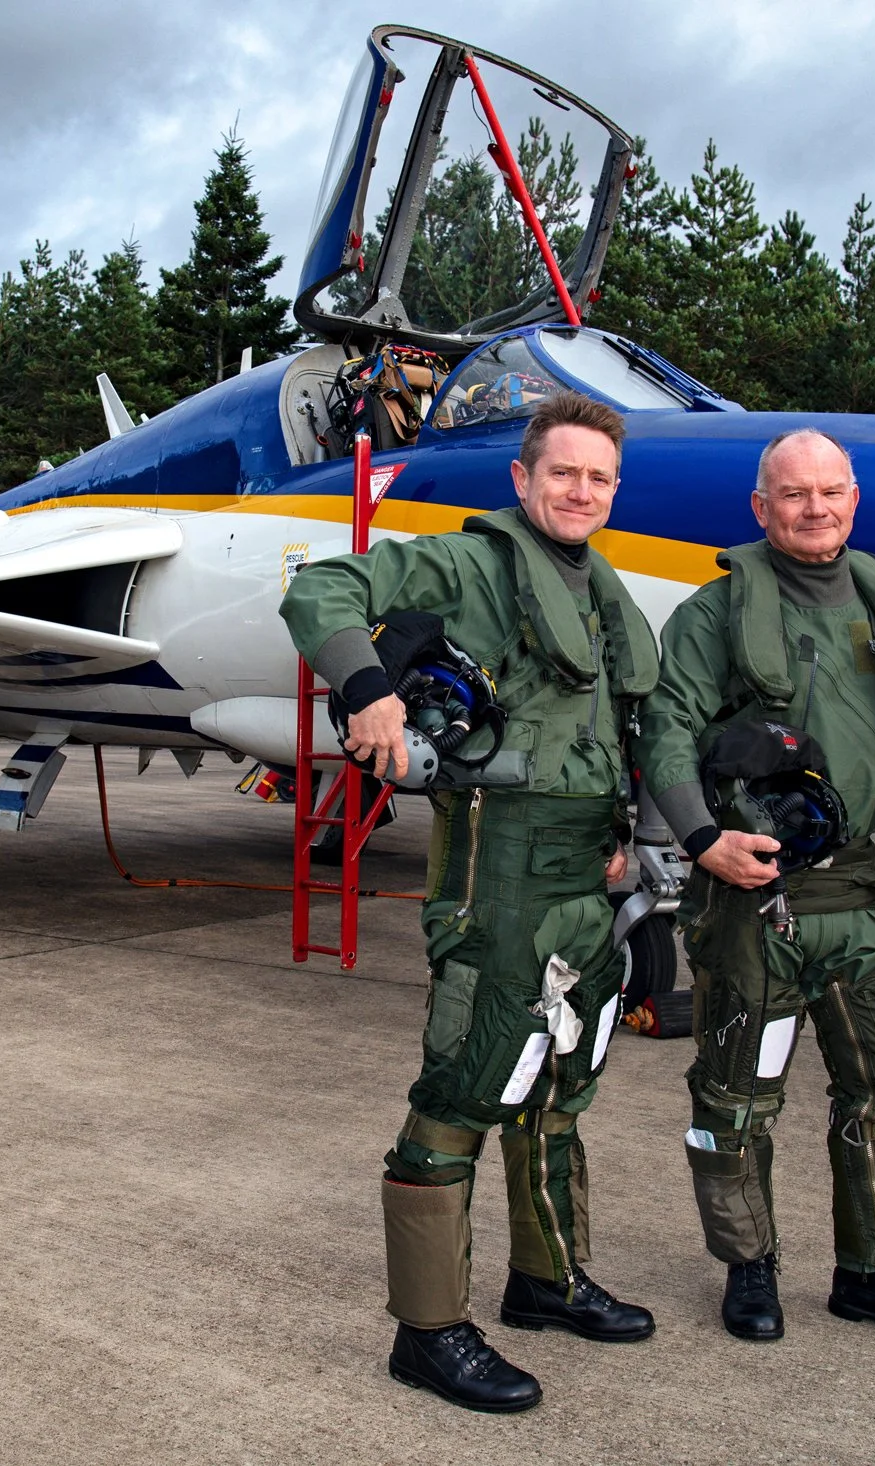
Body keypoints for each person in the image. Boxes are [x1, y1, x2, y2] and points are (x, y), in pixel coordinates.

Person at [279, 391, 660, 1413]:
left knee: (554, 1086)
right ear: (522, 478)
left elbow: (610, 728)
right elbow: (321, 589)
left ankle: (545, 1278)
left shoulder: (595, 587)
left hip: (584, 877)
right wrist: (367, 688)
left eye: (598, 477)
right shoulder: (471, 563)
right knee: (459, 1091)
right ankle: (429, 1329)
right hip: (496, 866)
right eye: (563, 472)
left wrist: (630, 838)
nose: (580, 490)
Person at [637, 427, 875, 1346]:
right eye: (793, 494)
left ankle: (874, 1273)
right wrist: (702, 840)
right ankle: (752, 1269)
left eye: (830, 492)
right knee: (737, 1096)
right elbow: (665, 731)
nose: (814, 508)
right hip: (755, 890)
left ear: (853, 500)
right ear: (761, 508)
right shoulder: (714, 616)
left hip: (863, 891)